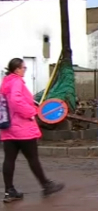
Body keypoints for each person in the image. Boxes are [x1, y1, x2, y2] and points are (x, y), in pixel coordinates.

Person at [1, 58, 64, 203]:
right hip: (22, 128)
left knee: (9, 159)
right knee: (33, 158)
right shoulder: (17, 82)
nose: (25, 70)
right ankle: (46, 185)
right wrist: (31, 111)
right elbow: (16, 101)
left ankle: (9, 191)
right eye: (24, 68)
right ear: (17, 69)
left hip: (9, 128)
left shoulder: (6, 83)